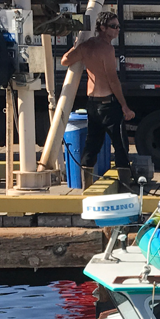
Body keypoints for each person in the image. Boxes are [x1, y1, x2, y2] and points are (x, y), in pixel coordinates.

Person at [60, 10, 134, 189]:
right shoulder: (107, 49)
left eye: (118, 26)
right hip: (108, 103)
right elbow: (112, 79)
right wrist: (124, 106)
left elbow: (65, 60)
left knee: (92, 145)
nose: (118, 30)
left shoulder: (86, 47)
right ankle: (126, 186)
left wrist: (77, 45)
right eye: (114, 26)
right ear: (102, 28)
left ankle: (85, 186)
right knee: (121, 145)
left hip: (92, 105)